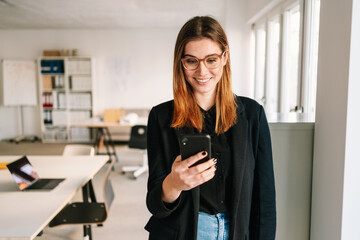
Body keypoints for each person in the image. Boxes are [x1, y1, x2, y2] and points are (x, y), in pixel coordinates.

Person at [145, 16, 276, 240]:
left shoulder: (253, 114)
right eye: (191, 61)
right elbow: (155, 205)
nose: (202, 71)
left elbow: (265, 198)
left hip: (236, 231)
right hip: (184, 232)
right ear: (181, 63)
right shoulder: (160, 117)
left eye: (211, 60)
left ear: (225, 58)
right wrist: (174, 184)